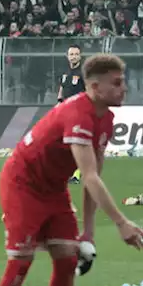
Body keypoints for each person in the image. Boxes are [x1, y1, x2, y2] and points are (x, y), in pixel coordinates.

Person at [0, 54, 143, 286]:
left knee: (66, 261)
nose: (124, 88)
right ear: (94, 86)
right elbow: (88, 176)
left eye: (123, 81)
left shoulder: (106, 119)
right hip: (22, 184)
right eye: (116, 83)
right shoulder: (78, 114)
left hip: (53, 189)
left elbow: (93, 179)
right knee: (21, 262)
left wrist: (87, 232)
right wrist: (121, 223)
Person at [58, 45, 86, 184]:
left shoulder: (83, 72)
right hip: (66, 111)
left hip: (79, 112)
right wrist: (59, 102)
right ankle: (70, 172)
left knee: (77, 143)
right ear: (67, 56)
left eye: (76, 54)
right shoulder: (65, 72)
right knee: (67, 143)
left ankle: (77, 174)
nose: (73, 56)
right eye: (71, 54)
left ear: (80, 56)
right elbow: (62, 87)